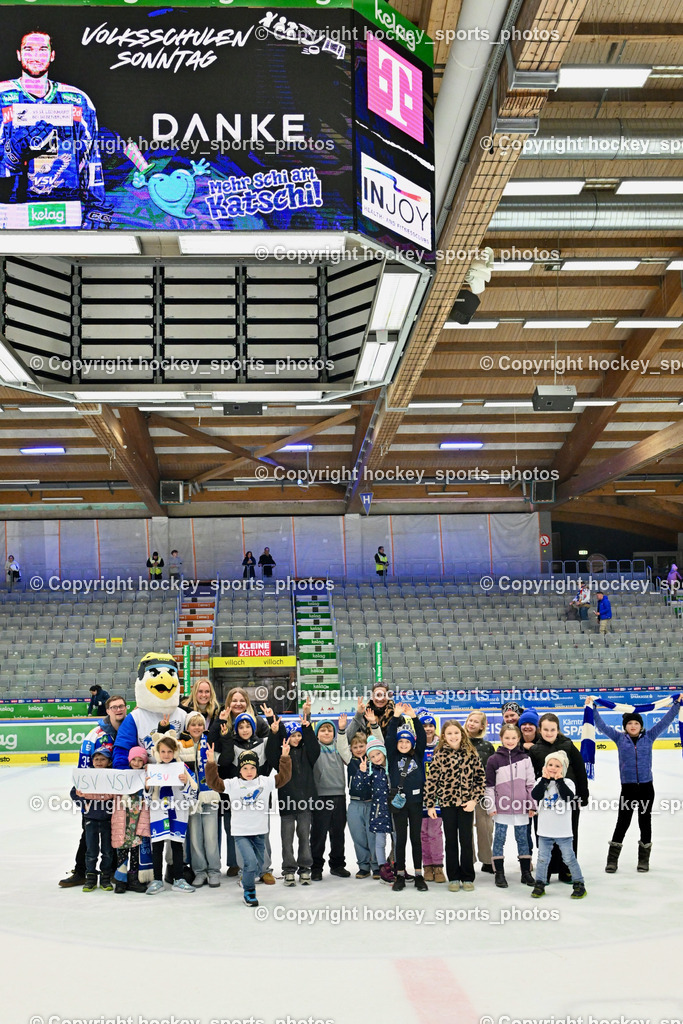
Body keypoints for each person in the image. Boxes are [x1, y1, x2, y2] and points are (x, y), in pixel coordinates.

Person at [0, 30, 111, 228]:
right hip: (11, 210)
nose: (35, 56)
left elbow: (91, 158)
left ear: (52, 55)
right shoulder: (2, 96)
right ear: (19, 54)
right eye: (29, 49)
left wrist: (97, 207)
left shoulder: (78, 100)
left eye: (43, 50)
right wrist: (10, 158)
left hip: (65, 210)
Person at [585, 694, 683, 873]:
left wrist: (677, 705)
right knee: (622, 822)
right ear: (625, 726)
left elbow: (665, 722)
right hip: (628, 788)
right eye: (630, 723)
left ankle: (643, 860)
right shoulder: (619, 738)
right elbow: (601, 726)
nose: (633, 726)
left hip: (646, 787)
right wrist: (593, 708)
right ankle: (612, 860)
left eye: (636, 723)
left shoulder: (650, 737)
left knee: (645, 822)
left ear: (641, 726)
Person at [205, 741, 292, 908]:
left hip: (260, 832)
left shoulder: (264, 782)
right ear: (240, 769)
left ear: (257, 768)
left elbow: (284, 777)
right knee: (250, 863)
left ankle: (247, 879)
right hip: (241, 833)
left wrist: (285, 757)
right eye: (245, 768)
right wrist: (210, 763)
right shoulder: (233, 784)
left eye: (252, 768)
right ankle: (249, 892)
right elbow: (214, 783)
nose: (249, 772)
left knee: (258, 866)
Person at [60, 693, 128, 888]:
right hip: (96, 799)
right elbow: (83, 769)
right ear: (107, 711)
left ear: (126, 708)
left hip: (121, 795)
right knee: (87, 834)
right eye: (114, 707)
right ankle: (81, 871)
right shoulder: (95, 735)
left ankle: (115, 872)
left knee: (118, 833)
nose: (118, 709)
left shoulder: (131, 730)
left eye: (121, 706)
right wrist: (85, 800)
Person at [424, 719, 486, 892]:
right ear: (444, 736)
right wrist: (430, 804)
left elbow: (480, 780)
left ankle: (467, 876)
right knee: (451, 841)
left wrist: (474, 800)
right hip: (447, 804)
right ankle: (454, 877)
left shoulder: (471, 754)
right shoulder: (439, 755)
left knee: (466, 840)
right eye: (449, 733)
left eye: (456, 733)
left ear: (462, 734)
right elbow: (431, 781)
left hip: (467, 804)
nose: (453, 736)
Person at [529, 712, 589, 884]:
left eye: (552, 729)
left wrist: (583, 795)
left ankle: (566, 870)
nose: (549, 732)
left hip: (568, 800)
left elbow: (580, 770)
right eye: (545, 729)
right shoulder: (534, 750)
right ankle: (546, 869)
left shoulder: (568, 745)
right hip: (546, 803)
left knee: (568, 834)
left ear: (558, 730)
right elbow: (532, 777)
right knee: (545, 835)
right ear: (540, 730)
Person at [144, 732, 197, 895]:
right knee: (157, 845)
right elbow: (147, 799)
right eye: (163, 751)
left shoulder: (183, 769)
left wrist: (186, 783)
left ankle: (179, 879)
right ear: (157, 752)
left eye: (169, 751)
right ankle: (157, 879)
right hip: (159, 811)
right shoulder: (153, 770)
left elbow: (193, 795)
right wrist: (147, 787)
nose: (166, 755)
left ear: (175, 752)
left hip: (178, 810)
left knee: (177, 845)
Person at [485, 724, 536, 889]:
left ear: (518, 739)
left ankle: (525, 873)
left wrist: (531, 804)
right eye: (507, 738)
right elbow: (489, 786)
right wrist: (491, 806)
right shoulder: (494, 760)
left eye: (514, 738)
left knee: (523, 839)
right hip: (501, 808)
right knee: (499, 839)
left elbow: (530, 784)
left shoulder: (525, 759)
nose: (510, 741)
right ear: (501, 738)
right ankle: (499, 873)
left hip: (521, 807)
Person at [531, 751, 586, 900]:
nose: (553, 768)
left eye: (557, 765)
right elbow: (535, 795)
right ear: (545, 766)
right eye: (550, 765)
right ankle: (540, 883)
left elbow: (568, 797)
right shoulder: (540, 782)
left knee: (569, 858)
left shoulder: (568, 783)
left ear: (563, 768)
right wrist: (544, 779)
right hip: (544, 830)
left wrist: (559, 780)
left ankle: (579, 883)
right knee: (542, 859)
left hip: (563, 831)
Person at [385, 704, 429, 892]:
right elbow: (388, 738)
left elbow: (423, 739)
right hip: (399, 803)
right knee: (401, 838)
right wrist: (395, 717)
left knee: (415, 838)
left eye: (407, 742)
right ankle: (400, 874)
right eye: (400, 742)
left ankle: (418, 874)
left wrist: (414, 718)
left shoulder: (417, 755)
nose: (403, 744)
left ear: (412, 743)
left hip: (416, 803)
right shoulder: (393, 756)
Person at [336, 709, 383, 879]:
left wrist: (374, 724)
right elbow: (341, 747)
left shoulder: (375, 759)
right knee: (358, 837)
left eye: (361, 746)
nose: (358, 749)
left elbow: (380, 742)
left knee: (373, 836)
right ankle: (363, 866)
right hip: (355, 804)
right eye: (355, 747)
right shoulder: (351, 761)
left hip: (372, 803)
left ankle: (376, 865)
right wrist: (341, 730)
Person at [178, 712, 221, 888]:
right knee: (195, 838)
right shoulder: (180, 746)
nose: (196, 728)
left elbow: (219, 763)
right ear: (187, 727)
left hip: (209, 795)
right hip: (191, 798)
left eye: (200, 724)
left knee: (211, 837)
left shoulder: (210, 743)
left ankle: (214, 871)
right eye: (193, 724)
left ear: (204, 727)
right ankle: (200, 871)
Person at [279, 699, 319, 885]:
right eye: (293, 735)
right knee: (287, 839)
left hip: (305, 802)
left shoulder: (308, 753)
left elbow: (314, 747)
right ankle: (288, 869)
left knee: (304, 836)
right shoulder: (282, 755)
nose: (297, 738)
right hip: (286, 803)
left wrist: (307, 725)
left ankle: (305, 868)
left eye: (299, 735)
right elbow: (272, 752)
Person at [70, 744, 116, 893]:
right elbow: (74, 792)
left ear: (109, 762)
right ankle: (90, 877)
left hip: (108, 820)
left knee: (108, 851)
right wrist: (85, 804)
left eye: (103, 759)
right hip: (91, 819)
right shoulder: (86, 777)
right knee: (91, 850)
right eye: (96, 759)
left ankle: (105, 877)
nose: (99, 762)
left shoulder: (113, 776)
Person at [310, 718, 349, 881]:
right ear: (317, 734)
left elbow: (349, 732)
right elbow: (306, 736)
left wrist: (359, 714)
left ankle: (337, 864)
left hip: (339, 795)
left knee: (338, 833)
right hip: (320, 797)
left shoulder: (339, 747)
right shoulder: (313, 748)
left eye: (329, 730)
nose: (326, 733)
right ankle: (316, 866)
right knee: (318, 835)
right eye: (322, 730)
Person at [353, 735, 394, 881]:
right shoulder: (372, 772)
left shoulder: (392, 768)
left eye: (378, 754)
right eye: (372, 756)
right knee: (380, 841)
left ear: (383, 752)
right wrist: (362, 772)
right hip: (379, 811)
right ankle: (383, 868)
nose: (376, 758)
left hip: (395, 811)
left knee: (397, 839)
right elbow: (359, 787)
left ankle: (396, 865)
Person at [111, 746, 150, 894]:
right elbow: (109, 792)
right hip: (123, 820)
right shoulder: (122, 775)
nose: (136, 762)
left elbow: (149, 794)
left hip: (137, 819)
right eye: (134, 759)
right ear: (129, 760)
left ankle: (133, 878)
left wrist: (146, 787)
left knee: (135, 851)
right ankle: (121, 880)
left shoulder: (145, 775)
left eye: (140, 760)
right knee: (122, 849)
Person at [464, 710, 496, 874]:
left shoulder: (487, 746)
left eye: (476, 721)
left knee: (485, 826)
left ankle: (487, 860)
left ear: (482, 726)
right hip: (463, 793)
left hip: (483, 793)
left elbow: (492, 770)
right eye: (470, 720)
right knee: (466, 827)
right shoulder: (459, 742)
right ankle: (468, 860)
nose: (472, 723)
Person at [419, 713, 445, 883]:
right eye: (424, 726)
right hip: (420, 796)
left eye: (431, 725)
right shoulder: (416, 746)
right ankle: (427, 865)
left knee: (434, 832)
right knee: (422, 832)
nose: (428, 729)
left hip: (438, 796)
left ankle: (438, 866)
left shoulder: (442, 746)